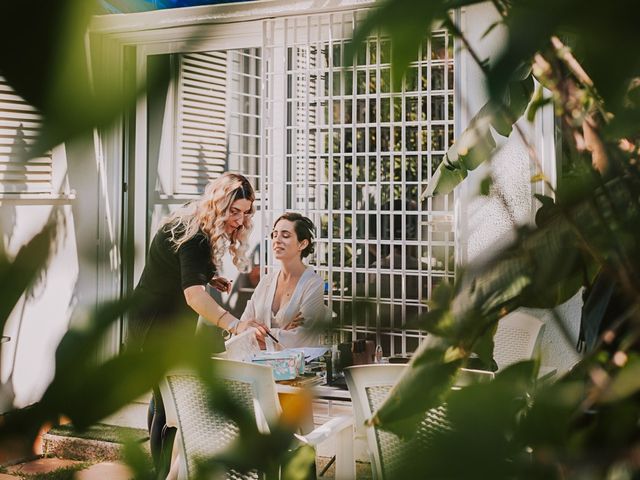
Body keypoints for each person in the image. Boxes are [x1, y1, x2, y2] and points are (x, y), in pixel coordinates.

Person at [128, 172, 269, 477]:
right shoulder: (195, 237)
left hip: (160, 321)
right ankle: (162, 472)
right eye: (234, 211)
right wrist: (235, 324)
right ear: (219, 204)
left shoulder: (191, 218)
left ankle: (161, 472)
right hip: (155, 327)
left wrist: (206, 276)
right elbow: (193, 297)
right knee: (168, 409)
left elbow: (180, 270)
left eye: (245, 213)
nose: (240, 220)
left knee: (162, 400)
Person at [240, 212, 328, 348]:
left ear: (302, 244)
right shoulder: (266, 281)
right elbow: (243, 328)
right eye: (274, 235)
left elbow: (300, 339)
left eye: (285, 235)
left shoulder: (313, 284)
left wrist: (261, 335)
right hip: (257, 364)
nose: (277, 240)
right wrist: (281, 334)